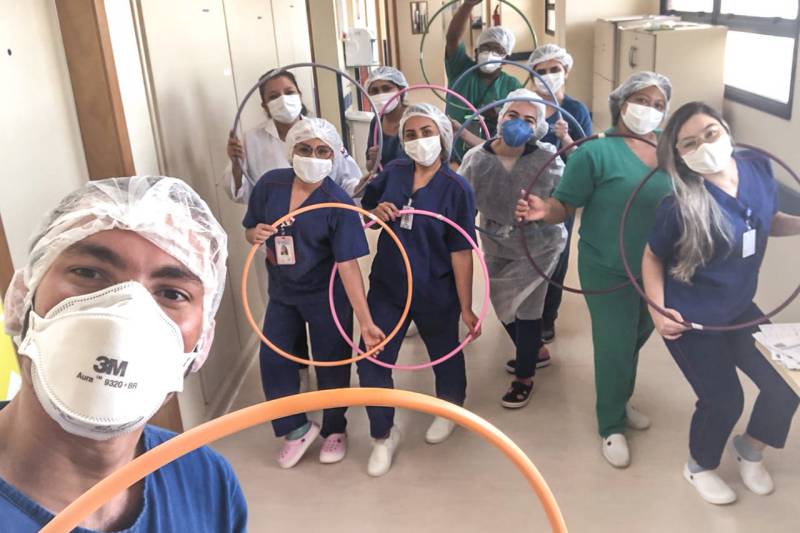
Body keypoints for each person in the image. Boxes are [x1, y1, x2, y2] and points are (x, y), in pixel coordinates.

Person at [0, 176, 246, 531]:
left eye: (172, 293)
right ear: (24, 297)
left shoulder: (205, 480)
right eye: (89, 273)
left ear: (202, 340)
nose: (123, 318)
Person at [642, 102, 800, 505]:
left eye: (710, 133)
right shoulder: (679, 205)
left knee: (786, 385)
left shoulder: (758, 168)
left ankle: (750, 448)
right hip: (690, 317)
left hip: (738, 307)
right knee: (724, 399)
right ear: (679, 155)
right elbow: (652, 257)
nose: (704, 146)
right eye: (689, 143)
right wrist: (658, 311)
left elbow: (767, 220)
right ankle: (699, 466)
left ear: (726, 130)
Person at [516, 72, 674, 468]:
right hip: (608, 267)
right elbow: (564, 205)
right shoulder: (594, 152)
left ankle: (620, 400)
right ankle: (611, 425)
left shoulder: (670, 148)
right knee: (614, 345)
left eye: (658, 105)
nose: (650, 110)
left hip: (657, 268)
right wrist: (544, 209)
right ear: (621, 103)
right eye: (642, 100)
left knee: (636, 337)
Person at [243, 118, 385, 470]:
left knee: (330, 362)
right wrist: (254, 235)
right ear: (291, 150)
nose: (313, 157)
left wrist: (366, 322)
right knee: (274, 359)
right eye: (304, 149)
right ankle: (295, 429)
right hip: (282, 291)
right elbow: (250, 228)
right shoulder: (270, 185)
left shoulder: (337, 203)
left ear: (334, 156)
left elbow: (349, 266)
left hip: (326, 295)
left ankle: (335, 429)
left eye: (322, 151)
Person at [358, 103, 480, 477]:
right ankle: (382, 434)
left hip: (435, 288)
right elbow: (366, 210)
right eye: (410, 134)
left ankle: (449, 406)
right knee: (371, 357)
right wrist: (375, 214)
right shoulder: (393, 173)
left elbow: (462, 252)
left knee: (445, 353)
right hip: (388, 286)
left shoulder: (457, 188)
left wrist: (466, 307)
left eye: (426, 132)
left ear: (442, 137)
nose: (418, 140)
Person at [459, 88, 566, 408]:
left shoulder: (547, 159)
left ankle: (524, 377)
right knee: (503, 304)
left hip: (539, 247)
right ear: (500, 117)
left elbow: (564, 204)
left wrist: (544, 209)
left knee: (529, 309)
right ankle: (535, 351)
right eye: (512, 115)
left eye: (529, 120)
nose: (519, 123)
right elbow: (461, 201)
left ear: (538, 127)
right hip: (495, 244)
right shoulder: (476, 159)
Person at [528, 44, 593, 344]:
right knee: (526, 255)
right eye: (540, 71)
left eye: (554, 69)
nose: (547, 75)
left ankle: (547, 317)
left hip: (562, 195)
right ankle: (525, 314)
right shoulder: (526, 104)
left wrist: (565, 136)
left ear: (566, 71)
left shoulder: (576, 111)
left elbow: (585, 159)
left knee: (556, 257)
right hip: (528, 191)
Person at [225, 69, 363, 200]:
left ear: (299, 95)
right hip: (275, 215)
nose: (283, 100)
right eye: (274, 96)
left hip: (324, 213)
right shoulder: (251, 140)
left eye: (289, 92)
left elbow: (348, 179)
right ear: (265, 105)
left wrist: (360, 187)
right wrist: (237, 165)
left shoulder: (324, 133)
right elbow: (242, 194)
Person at [445, 0, 522, 149]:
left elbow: (519, 124)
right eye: (485, 48)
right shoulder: (460, 69)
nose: (490, 54)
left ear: (505, 59)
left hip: (492, 151)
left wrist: (498, 114)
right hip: (455, 148)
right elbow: (452, 39)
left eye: (498, 50)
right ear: (476, 52)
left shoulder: (512, 85)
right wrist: (467, 5)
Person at [365, 66, 410, 171]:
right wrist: (374, 161)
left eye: (386, 89)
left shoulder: (415, 118)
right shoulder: (376, 122)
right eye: (374, 91)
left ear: (401, 90)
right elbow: (369, 167)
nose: (381, 94)